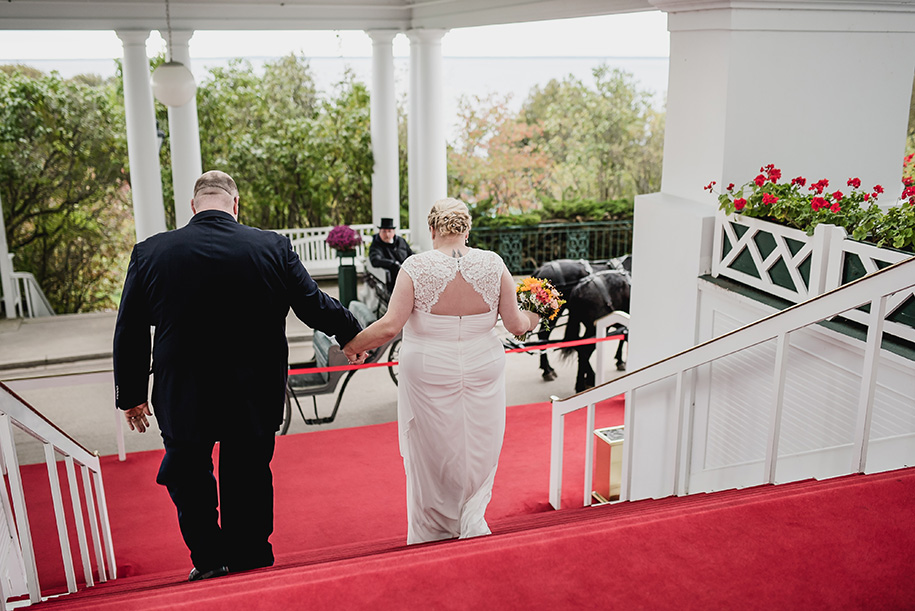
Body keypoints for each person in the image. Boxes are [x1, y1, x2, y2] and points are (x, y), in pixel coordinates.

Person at [113, 170, 367, 582]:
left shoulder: (150, 252)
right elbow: (311, 303)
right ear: (235, 204)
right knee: (248, 471)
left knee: (189, 473)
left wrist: (132, 394)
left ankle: (210, 559)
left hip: (183, 390)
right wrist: (350, 333)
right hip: (254, 387)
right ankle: (249, 558)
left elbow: (130, 328)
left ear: (193, 206)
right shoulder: (271, 246)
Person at [343, 198, 539, 544]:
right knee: (478, 443)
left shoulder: (415, 267)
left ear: (432, 230)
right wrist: (536, 313)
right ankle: (471, 516)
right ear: (467, 230)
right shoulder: (493, 264)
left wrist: (353, 345)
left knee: (432, 447)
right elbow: (516, 325)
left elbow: (389, 327)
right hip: (482, 367)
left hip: (429, 369)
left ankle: (433, 528)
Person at [368, 217, 414, 293]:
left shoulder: (400, 241)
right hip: (394, 281)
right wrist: (393, 263)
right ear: (380, 232)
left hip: (409, 274)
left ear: (393, 232)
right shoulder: (376, 244)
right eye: (384, 232)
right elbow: (375, 260)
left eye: (389, 231)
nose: (387, 234)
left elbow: (410, 253)